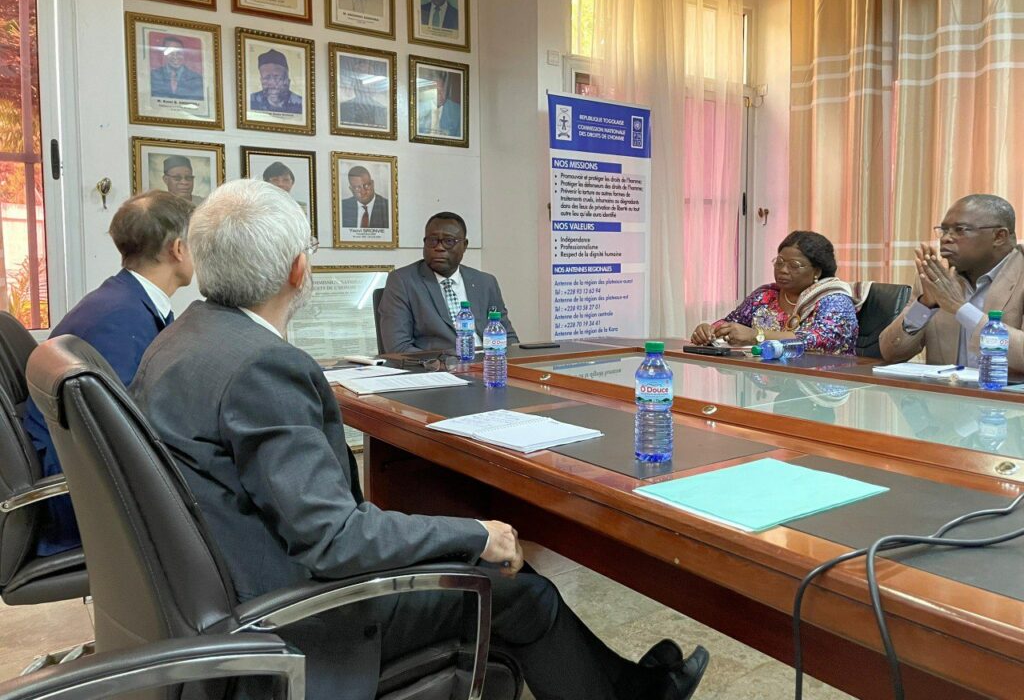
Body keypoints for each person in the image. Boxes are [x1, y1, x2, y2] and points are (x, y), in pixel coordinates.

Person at [129, 179, 709, 700]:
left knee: (513, 574)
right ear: (298, 271)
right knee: (526, 592)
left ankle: (631, 686)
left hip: (223, 587)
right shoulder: (264, 367)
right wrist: (475, 531)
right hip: (301, 612)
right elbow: (335, 540)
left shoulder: (183, 338)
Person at [23, 191, 194, 556]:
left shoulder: (123, 300)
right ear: (178, 249)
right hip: (75, 500)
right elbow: (126, 436)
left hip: (72, 472)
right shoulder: (121, 320)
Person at [880, 194, 1024, 370]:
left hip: (1003, 388)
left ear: (999, 236)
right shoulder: (936, 277)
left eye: (960, 230)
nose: (945, 238)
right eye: (944, 230)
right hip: (947, 388)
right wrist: (925, 305)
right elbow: (890, 353)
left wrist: (960, 308)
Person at [690, 230, 859, 355]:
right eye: (779, 262)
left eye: (794, 265)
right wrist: (709, 331)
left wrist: (757, 336)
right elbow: (732, 323)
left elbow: (819, 341)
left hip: (822, 383)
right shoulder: (765, 296)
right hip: (767, 381)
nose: (783, 270)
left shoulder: (835, 299)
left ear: (817, 271)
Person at [379, 212, 519, 353]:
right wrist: (443, 363)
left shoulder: (485, 282)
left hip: (490, 361)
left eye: (449, 241)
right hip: (438, 364)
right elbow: (398, 347)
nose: (439, 248)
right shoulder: (402, 281)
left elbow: (507, 336)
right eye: (432, 240)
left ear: (464, 245)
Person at [337, 57, 388, 128]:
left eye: (368, 75)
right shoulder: (343, 108)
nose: (363, 84)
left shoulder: (382, 110)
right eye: (360, 79)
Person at [149, 35, 204, 101]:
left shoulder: (197, 79)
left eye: (178, 52)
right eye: (170, 52)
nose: (175, 56)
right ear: (164, 54)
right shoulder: (153, 76)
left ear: (183, 53)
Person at [250, 48, 303, 114]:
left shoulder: (302, 104)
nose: (272, 83)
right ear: (261, 80)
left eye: (277, 77)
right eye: (266, 78)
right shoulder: (250, 101)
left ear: (287, 80)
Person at [417, 70, 461, 138]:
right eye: (437, 91)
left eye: (443, 90)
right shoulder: (418, 108)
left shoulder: (458, 111)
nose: (441, 94)